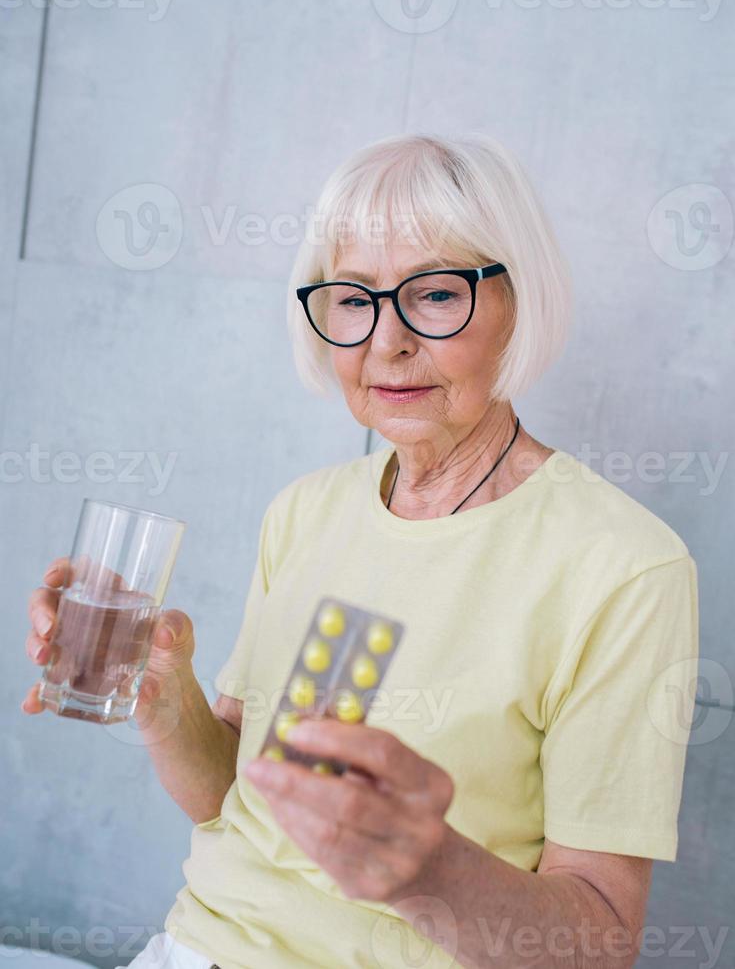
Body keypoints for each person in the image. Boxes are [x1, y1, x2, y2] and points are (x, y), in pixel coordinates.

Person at [23, 133, 699, 969]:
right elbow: (239, 802)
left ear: (517, 303)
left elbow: (599, 942)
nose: (387, 342)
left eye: (436, 294)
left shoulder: (624, 566)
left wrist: (427, 869)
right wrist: (164, 701)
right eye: (352, 299)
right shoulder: (304, 512)